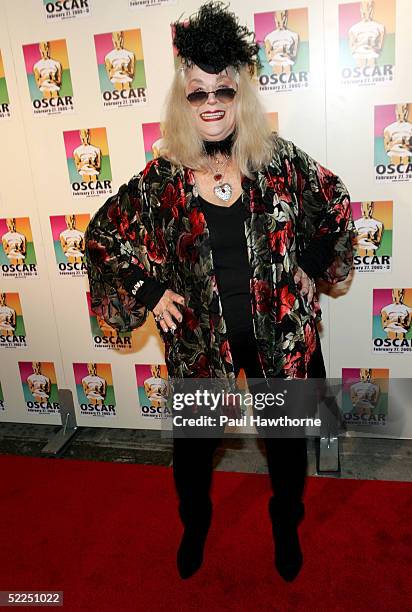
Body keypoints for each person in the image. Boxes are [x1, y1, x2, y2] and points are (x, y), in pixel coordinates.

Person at [85, 1, 354, 583]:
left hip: (279, 340)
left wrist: (309, 260)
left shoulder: (277, 159)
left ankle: (285, 525)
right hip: (200, 344)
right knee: (190, 459)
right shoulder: (163, 179)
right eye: (197, 93)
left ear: (241, 94)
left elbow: (334, 202)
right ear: (183, 100)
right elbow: (102, 234)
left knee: (285, 454)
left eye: (222, 92)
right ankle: (196, 526)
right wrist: (149, 287)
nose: (210, 105)